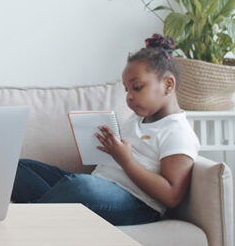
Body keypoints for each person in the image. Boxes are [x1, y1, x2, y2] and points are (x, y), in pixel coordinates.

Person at [11, 34, 200, 225]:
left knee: (81, 186)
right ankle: (46, 210)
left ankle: (30, 220)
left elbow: (172, 196)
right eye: (127, 90)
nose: (129, 97)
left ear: (168, 85)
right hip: (99, 186)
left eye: (137, 87)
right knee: (17, 167)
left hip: (138, 204)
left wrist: (126, 161)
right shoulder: (136, 120)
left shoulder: (178, 132)